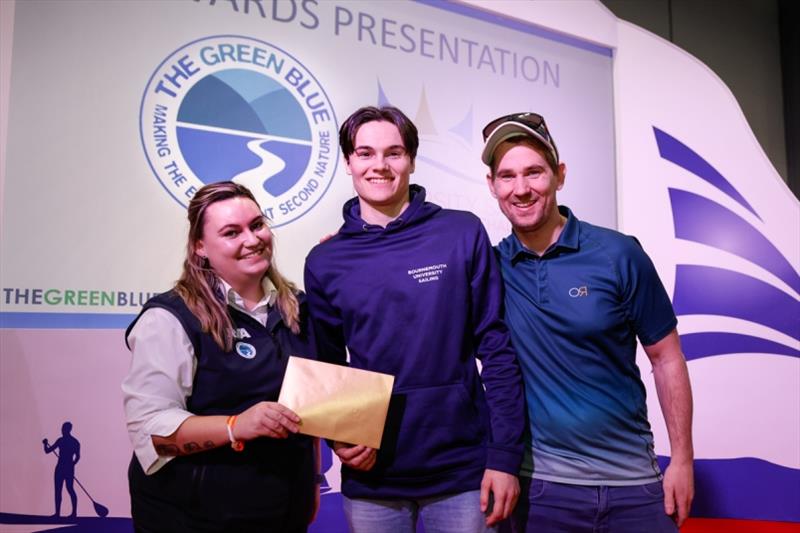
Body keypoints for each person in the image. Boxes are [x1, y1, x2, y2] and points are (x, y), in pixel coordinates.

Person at [304, 105, 525, 533]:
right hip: (373, 477)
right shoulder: (327, 260)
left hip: (463, 471)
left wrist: (504, 457)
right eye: (365, 153)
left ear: (411, 159)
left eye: (394, 152)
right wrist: (339, 437)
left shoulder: (460, 232)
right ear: (348, 162)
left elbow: (496, 349)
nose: (380, 166)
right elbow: (325, 366)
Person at [481, 112, 694, 532]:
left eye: (534, 173)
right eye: (506, 176)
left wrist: (683, 460)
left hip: (634, 485)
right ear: (492, 185)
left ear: (559, 176)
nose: (520, 189)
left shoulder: (618, 254)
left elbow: (667, 358)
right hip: (540, 491)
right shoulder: (489, 267)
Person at [122, 181, 319, 532]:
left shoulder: (297, 306)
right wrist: (235, 426)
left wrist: (312, 481)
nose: (252, 239)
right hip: (193, 517)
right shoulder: (169, 318)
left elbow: (310, 404)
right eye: (232, 232)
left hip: (282, 510)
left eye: (257, 225)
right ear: (200, 246)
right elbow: (151, 432)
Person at [43, 421, 80, 517]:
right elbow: (47, 451)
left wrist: (73, 464)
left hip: (66, 468)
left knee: (69, 489)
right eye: (62, 429)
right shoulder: (62, 440)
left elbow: (78, 456)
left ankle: (74, 513)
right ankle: (57, 513)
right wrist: (45, 444)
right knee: (58, 490)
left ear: (68, 429)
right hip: (61, 468)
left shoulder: (73, 442)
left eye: (63, 429)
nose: (62, 430)